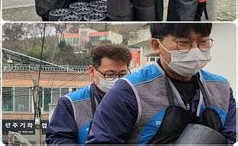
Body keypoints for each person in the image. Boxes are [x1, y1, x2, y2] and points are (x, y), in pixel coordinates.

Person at [87, 23, 236, 144]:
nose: (196, 51)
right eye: (183, 43)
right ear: (156, 45)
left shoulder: (221, 88)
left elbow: (231, 136)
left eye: (203, 42)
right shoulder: (130, 91)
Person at [46, 45, 131, 145]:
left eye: (122, 74)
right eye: (109, 74)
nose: (117, 80)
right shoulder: (71, 103)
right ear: (92, 71)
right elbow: (58, 139)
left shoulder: (135, 100)